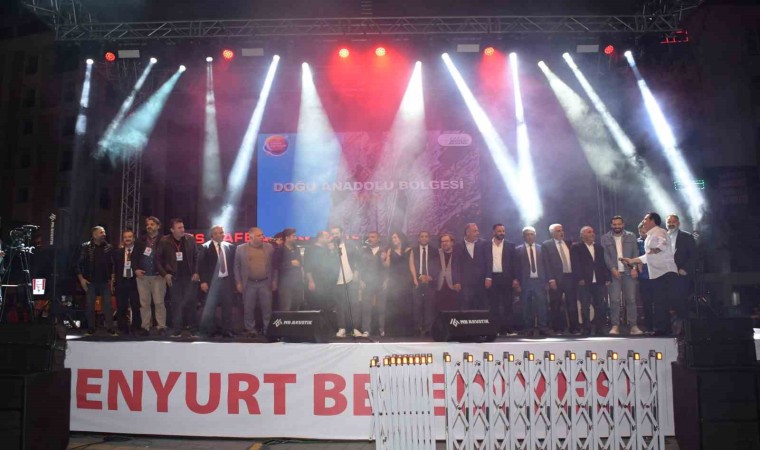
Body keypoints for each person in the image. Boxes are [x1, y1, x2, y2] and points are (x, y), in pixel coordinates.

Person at [621, 212, 680, 336]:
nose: (643, 221)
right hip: (658, 274)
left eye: (645, 219)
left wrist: (655, 250)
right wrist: (632, 261)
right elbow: (647, 256)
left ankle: (663, 330)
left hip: (665, 272)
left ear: (652, 221)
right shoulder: (649, 235)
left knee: (661, 302)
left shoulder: (659, 231)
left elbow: (662, 244)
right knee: (660, 302)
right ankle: (664, 330)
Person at [156, 218, 199, 337]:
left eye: (183, 227)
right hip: (174, 278)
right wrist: (165, 274)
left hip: (189, 277)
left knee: (191, 304)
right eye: (179, 228)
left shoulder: (190, 239)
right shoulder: (164, 241)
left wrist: (196, 272)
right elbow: (158, 260)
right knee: (176, 304)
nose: (182, 229)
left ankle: (193, 329)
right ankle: (177, 330)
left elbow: (197, 256)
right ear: (172, 230)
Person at [601, 216, 643, 335]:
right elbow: (605, 256)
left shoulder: (631, 236)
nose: (617, 226)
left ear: (623, 224)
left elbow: (635, 253)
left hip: (629, 272)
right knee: (614, 300)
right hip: (614, 273)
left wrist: (634, 267)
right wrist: (612, 269)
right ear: (611, 225)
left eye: (619, 224)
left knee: (631, 299)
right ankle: (615, 325)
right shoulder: (605, 238)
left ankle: (633, 326)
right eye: (614, 224)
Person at [234, 227, 275, 337]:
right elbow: (236, 267)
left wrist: (275, 280)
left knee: (267, 308)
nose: (262, 237)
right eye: (259, 235)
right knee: (248, 308)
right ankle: (250, 330)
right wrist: (238, 282)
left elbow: (274, 266)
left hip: (265, 283)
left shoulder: (269, 247)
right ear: (251, 237)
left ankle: (268, 329)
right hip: (249, 283)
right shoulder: (240, 249)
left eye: (262, 235)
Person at [76, 226, 117, 336]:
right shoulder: (86, 247)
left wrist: (112, 279)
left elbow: (113, 265)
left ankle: (110, 328)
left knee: (108, 305)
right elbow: (78, 264)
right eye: (101, 232)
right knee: (90, 305)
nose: (104, 234)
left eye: (104, 232)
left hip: (105, 281)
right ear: (94, 234)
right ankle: (91, 328)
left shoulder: (108, 247)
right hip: (90, 281)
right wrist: (81, 279)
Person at [196, 225, 235, 338]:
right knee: (210, 307)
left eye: (223, 232)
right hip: (211, 282)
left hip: (226, 281)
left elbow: (233, 265)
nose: (223, 234)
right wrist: (203, 281)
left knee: (227, 307)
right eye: (220, 233)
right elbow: (201, 265)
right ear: (213, 235)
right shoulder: (205, 247)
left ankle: (226, 330)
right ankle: (210, 330)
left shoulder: (230, 247)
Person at [571, 226, 610, 336]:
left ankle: (599, 328)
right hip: (584, 281)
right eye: (589, 232)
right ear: (582, 235)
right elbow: (575, 264)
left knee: (600, 305)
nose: (592, 234)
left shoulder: (599, 247)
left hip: (599, 281)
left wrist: (607, 278)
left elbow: (603, 264)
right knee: (585, 306)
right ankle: (586, 328)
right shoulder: (576, 247)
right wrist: (579, 278)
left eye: (593, 231)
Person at [133, 216, 167, 336]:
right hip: (143, 276)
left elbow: (168, 258)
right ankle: (145, 327)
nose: (149, 226)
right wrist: (136, 269)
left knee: (159, 302)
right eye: (147, 224)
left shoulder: (164, 240)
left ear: (158, 226)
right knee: (144, 304)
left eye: (152, 224)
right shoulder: (140, 240)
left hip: (158, 276)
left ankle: (161, 327)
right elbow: (134, 256)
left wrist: (164, 272)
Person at [542, 224, 579, 334]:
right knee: (556, 304)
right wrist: (551, 279)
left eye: (562, 230)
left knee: (572, 303)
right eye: (558, 231)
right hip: (556, 278)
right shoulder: (547, 245)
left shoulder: (568, 242)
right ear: (552, 233)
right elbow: (546, 263)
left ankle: (574, 327)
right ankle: (557, 328)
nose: (561, 232)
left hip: (569, 277)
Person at [329, 226, 365, 338]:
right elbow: (326, 264)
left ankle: (355, 328)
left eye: (337, 233)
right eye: (333, 233)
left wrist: (356, 271)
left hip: (350, 279)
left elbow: (358, 259)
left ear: (342, 233)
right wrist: (331, 251)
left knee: (354, 304)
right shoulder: (330, 247)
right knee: (339, 306)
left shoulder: (350, 245)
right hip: (336, 281)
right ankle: (342, 328)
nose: (335, 235)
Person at [484, 224, 519, 335]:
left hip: (507, 278)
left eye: (503, 231)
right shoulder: (486, 245)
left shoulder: (510, 245)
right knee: (494, 305)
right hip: (492, 278)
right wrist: (487, 277)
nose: (502, 233)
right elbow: (484, 263)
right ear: (494, 232)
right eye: (499, 231)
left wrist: (515, 278)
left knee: (508, 304)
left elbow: (514, 263)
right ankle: (495, 329)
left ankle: (508, 329)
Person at [516, 226, 550, 336]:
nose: (530, 236)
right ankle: (528, 328)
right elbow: (515, 267)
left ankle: (543, 327)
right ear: (523, 236)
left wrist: (548, 280)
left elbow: (546, 265)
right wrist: (517, 282)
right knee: (526, 306)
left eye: (532, 234)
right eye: (527, 234)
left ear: (535, 235)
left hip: (540, 281)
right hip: (525, 282)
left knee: (542, 305)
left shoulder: (541, 249)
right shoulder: (518, 250)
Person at [111, 228, 142, 336]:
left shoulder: (139, 251)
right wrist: (114, 281)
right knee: (121, 306)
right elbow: (115, 268)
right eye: (125, 237)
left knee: (136, 305)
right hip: (122, 281)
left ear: (134, 238)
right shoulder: (118, 252)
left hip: (134, 281)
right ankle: (122, 328)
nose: (127, 239)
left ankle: (136, 328)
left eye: (129, 237)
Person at [667, 214, 697, 319]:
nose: (671, 224)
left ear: (678, 223)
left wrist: (685, 269)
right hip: (666, 274)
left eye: (673, 222)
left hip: (681, 274)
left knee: (681, 301)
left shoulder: (687, 236)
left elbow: (694, 255)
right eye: (669, 222)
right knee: (668, 301)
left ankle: (684, 325)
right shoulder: (662, 237)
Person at [409, 231, 439, 336]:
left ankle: (428, 329)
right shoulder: (413, 250)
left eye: (426, 236)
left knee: (429, 306)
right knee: (417, 306)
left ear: (429, 238)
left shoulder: (434, 251)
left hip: (430, 281)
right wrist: (418, 277)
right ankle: (417, 328)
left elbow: (437, 265)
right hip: (417, 281)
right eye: (422, 236)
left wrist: (431, 276)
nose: (424, 238)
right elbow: (411, 265)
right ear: (418, 238)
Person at [383, 231, 412, 336]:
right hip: (394, 280)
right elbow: (387, 266)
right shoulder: (390, 250)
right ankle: (394, 332)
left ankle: (406, 332)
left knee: (405, 305)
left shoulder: (408, 250)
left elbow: (412, 266)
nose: (394, 239)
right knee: (394, 306)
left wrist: (415, 279)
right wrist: (383, 259)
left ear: (400, 238)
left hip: (406, 280)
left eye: (395, 237)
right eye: (392, 238)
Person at [454, 223, 488, 309]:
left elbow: (488, 262)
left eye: (477, 231)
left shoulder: (484, 244)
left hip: (481, 283)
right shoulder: (458, 246)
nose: (478, 233)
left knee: (482, 308)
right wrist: (456, 281)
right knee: (466, 307)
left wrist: (488, 277)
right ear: (467, 232)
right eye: (475, 231)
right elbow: (456, 265)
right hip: (465, 284)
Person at [361, 231, 386, 336]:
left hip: (380, 282)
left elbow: (388, 268)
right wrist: (361, 280)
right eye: (369, 237)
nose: (370, 239)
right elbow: (360, 266)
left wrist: (386, 280)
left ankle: (382, 329)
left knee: (382, 307)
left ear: (378, 239)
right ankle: (366, 329)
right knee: (366, 306)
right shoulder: (364, 251)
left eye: (373, 237)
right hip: (367, 282)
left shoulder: (383, 250)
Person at [273, 228, 304, 311]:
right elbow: (275, 265)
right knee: (285, 308)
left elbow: (300, 264)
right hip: (285, 285)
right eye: (293, 236)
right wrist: (290, 264)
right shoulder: (280, 249)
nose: (295, 238)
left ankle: (295, 320)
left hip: (297, 284)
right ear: (287, 238)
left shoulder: (296, 249)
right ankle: (286, 320)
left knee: (296, 307)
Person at [305, 231, 333, 313]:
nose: (329, 239)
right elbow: (307, 267)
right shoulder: (310, 249)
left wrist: (331, 250)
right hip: (316, 281)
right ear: (320, 238)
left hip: (327, 282)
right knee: (316, 306)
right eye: (327, 237)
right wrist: (311, 281)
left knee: (327, 306)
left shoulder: (327, 249)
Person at [435, 233, 462, 311]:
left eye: (446, 241)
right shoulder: (436, 253)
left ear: (452, 242)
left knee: (453, 310)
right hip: (440, 286)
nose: (444, 243)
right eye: (442, 241)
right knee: (440, 310)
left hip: (454, 286)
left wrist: (458, 281)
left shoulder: (458, 253)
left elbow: (462, 270)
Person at [636, 222, 655, 333]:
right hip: (643, 277)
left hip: (657, 275)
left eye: (645, 232)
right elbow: (635, 256)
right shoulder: (637, 243)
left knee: (658, 302)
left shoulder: (656, 241)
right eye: (641, 232)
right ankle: (649, 327)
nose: (643, 234)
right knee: (646, 302)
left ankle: (660, 326)